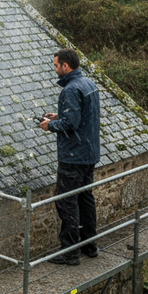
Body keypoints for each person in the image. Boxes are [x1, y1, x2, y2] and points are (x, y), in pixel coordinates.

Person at [39, 48, 101, 265]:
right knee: (85, 199)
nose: (54, 69)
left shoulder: (70, 90)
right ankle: (89, 246)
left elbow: (71, 124)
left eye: (56, 65)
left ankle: (70, 252)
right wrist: (60, 114)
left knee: (67, 202)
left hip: (73, 156)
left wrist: (50, 125)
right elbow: (81, 115)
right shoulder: (88, 84)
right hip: (89, 154)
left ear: (65, 66)